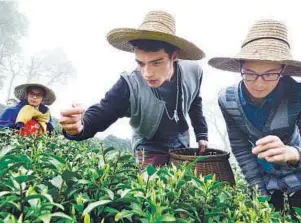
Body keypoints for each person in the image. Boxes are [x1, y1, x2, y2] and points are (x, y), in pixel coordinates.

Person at [59, 10, 208, 168]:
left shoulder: (193, 72)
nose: (147, 73)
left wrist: (201, 133)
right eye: (141, 63)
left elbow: (194, 102)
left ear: (174, 56)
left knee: (183, 188)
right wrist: (79, 127)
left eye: (156, 63)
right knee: (150, 188)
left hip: (181, 144)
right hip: (148, 146)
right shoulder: (129, 84)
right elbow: (104, 110)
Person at [208, 19, 301, 214]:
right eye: (249, 74)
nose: (258, 83)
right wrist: (259, 194)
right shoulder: (228, 101)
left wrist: (293, 154)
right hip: (268, 184)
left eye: (269, 74)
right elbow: (241, 149)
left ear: (282, 70)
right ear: (240, 68)